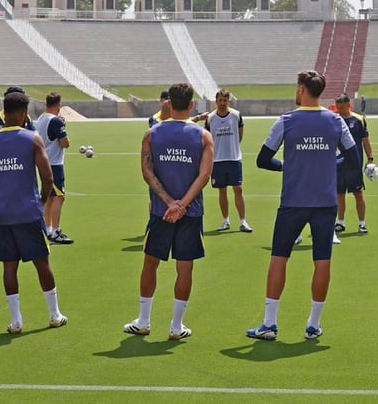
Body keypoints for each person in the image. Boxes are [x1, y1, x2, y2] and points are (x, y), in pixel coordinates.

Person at [246, 70, 359, 341]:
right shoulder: (336, 121)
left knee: (279, 258)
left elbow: (262, 159)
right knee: (322, 261)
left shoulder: (286, 121)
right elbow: (353, 159)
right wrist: (330, 165)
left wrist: (285, 166)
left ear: (301, 90)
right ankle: (313, 324)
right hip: (325, 201)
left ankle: (270, 324)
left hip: (294, 201)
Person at [124, 83, 214, 340]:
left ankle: (143, 321)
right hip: (191, 212)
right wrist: (183, 204)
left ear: (169, 104)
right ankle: (176, 326)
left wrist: (168, 201)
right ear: (192, 105)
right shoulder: (203, 136)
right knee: (185, 268)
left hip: (161, 212)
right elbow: (205, 174)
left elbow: (147, 171)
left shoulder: (151, 134)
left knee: (150, 263)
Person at [0, 91, 67, 333]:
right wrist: (41, 200)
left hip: (4, 214)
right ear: (25, 114)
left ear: (3, 113)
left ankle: (16, 321)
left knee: (9, 266)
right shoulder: (32, 138)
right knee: (42, 262)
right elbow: (47, 177)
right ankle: (54, 314)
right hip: (29, 212)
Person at [203, 89, 251, 233]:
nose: (222, 103)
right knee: (222, 191)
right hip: (217, 160)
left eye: (225, 100)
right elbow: (207, 137)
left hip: (234, 158)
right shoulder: (210, 118)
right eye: (220, 100)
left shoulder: (236, 115)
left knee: (238, 189)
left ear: (228, 101)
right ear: (216, 101)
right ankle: (226, 221)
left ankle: (243, 222)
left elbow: (240, 134)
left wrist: (234, 146)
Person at [35, 92, 74, 244]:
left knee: (49, 198)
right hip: (55, 163)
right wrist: (63, 128)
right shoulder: (56, 122)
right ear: (58, 106)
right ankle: (55, 231)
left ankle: (48, 229)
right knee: (59, 197)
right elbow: (65, 143)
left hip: (43, 162)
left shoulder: (40, 119)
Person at [334, 94, 374, 237]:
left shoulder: (358, 120)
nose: (340, 111)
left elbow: (365, 140)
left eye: (342, 108)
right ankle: (341, 222)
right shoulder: (334, 120)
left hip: (354, 164)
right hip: (338, 164)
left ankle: (362, 223)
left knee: (358, 194)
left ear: (348, 104)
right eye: (338, 108)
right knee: (339, 194)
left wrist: (370, 158)